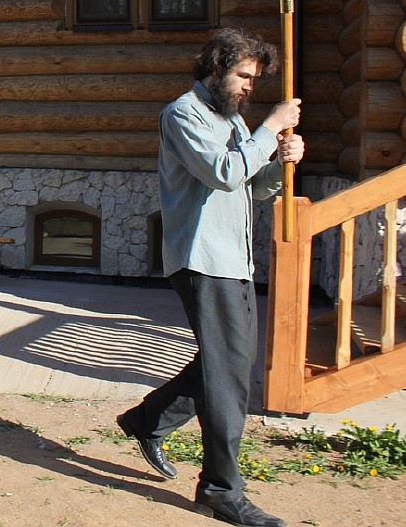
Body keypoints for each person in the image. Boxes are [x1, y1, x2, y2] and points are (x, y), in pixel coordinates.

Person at [116, 28, 303, 527]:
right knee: (227, 376)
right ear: (217, 68)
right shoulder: (184, 114)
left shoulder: (234, 118)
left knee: (229, 363)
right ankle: (220, 489)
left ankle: (147, 420)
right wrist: (271, 129)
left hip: (235, 259)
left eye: (254, 78)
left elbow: (250, 185)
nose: (249, 86)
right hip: (202, 258)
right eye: (244, 75)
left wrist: (280, 164)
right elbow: (222, 173)